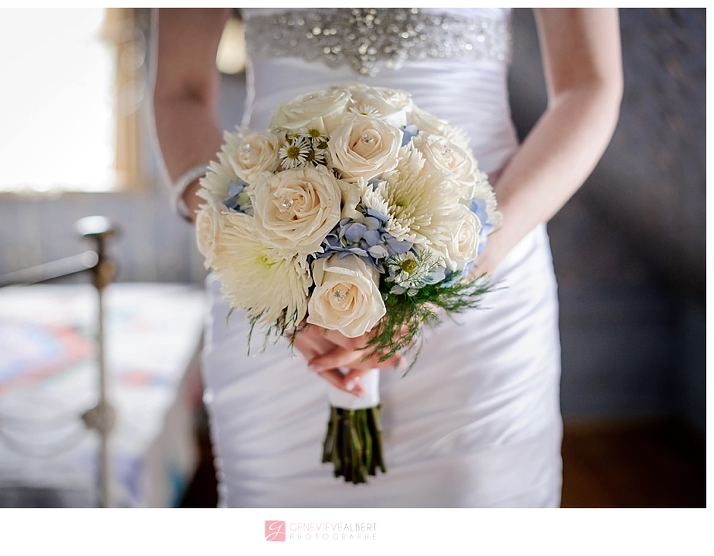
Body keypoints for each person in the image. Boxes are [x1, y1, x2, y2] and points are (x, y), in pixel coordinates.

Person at [152, 8, 623, 507]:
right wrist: (260, 262)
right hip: (271, 262)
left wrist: (456, 270)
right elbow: (177, 93)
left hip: (487, 268)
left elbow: (589, 87)